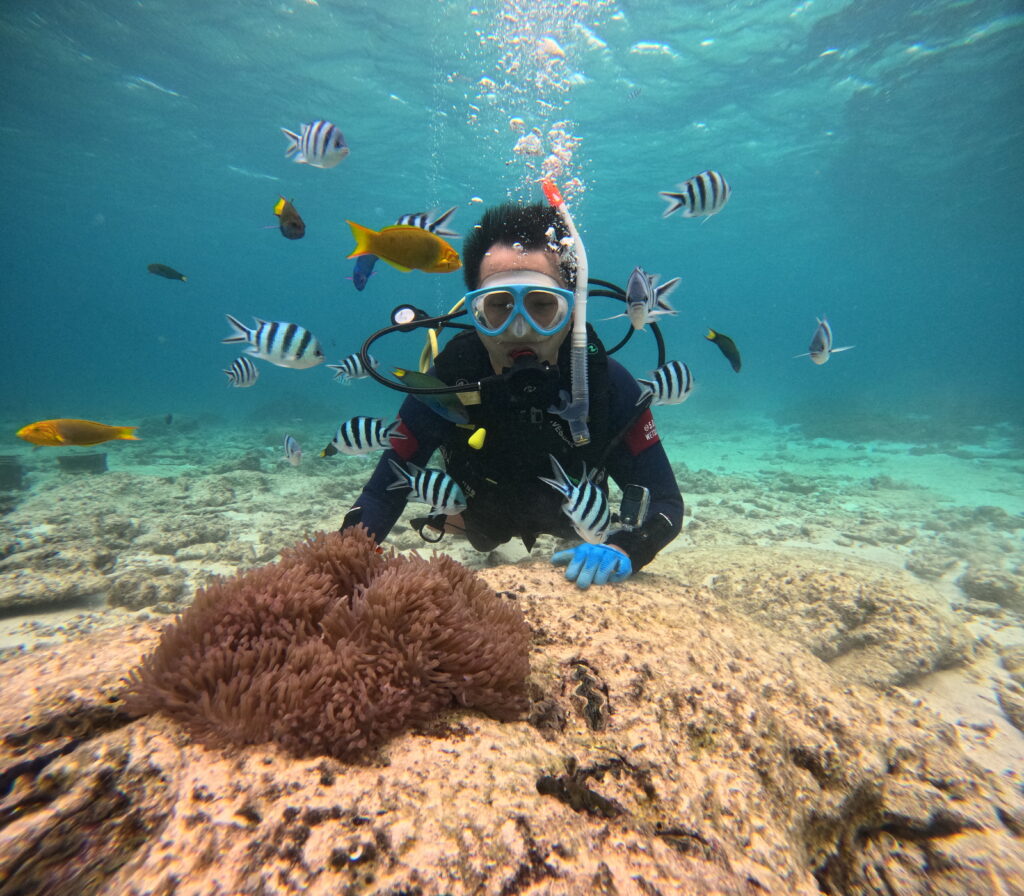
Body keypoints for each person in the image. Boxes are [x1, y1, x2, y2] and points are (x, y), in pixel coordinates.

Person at [340, 202, 684, 588]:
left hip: (577, 520)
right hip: (481, 514)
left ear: (572, 311)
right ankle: (446, 519)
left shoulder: (605, 383)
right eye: (499, 306)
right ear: (475, 312)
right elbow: (382, 493)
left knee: (583, 529)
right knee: (482, 535)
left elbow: (667, 502)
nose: (520, 330)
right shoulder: (448, 383)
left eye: (542, 306)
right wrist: (339, 565)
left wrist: (625, 548)